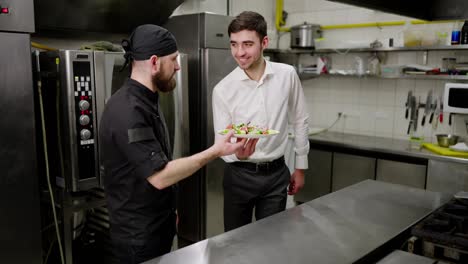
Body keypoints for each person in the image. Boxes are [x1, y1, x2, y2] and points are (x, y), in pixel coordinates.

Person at [99, 24, 256, 264]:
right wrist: (216, 151)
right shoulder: (129, 110)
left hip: (156, 226)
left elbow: (157, 160)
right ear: (154, 62)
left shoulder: (147, 99)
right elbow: (160, 176)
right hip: (137, 238)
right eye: (173, 60)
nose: (179, 66)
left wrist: (169, 213)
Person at [212, 11, 310, 232]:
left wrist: (301, 167)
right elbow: (221, 142)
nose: (240, 53)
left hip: (277, 175)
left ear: (264, 42)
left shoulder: (287, 75)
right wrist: (237, 153)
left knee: (272, 240)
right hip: (239, 175)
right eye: (234, 44)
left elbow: (300, 118)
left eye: (247, 44)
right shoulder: (222, 90)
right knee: (235, 243)